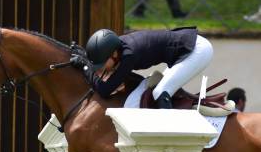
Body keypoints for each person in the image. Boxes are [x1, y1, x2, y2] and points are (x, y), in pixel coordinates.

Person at [83, 27, 213, 108]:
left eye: (102, 63)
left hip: (197, 50)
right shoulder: (118, 46)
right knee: (153, 87)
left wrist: (85, 67)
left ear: (114, 54)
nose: (100, 68)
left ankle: (171, 139)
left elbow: (105, 90)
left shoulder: (129, 55)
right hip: (185, 49)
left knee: (161, 92)